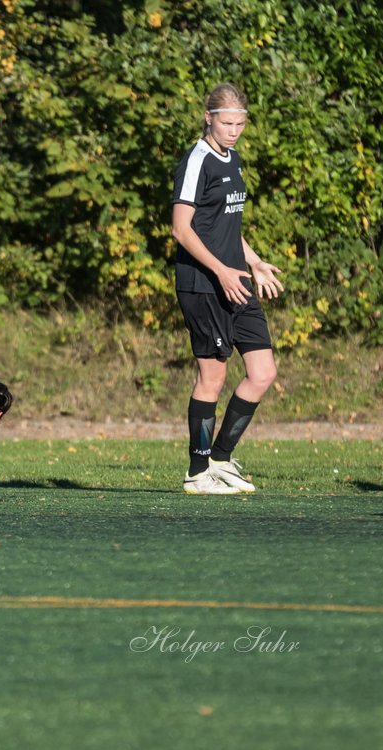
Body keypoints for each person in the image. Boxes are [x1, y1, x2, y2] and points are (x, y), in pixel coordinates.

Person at [170, 83, 283, 495]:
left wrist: (252, 261)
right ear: (209, 117)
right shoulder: (196, 161)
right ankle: (198, 472)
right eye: (227, 122)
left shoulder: (231, 159)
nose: (234, 131)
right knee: (212, 377)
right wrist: (220, 271)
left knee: (263, 371)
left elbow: (226, 226)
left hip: (236, 278)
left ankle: (220, 459)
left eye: (240, 123)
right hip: (204, 283)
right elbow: (181, 229)